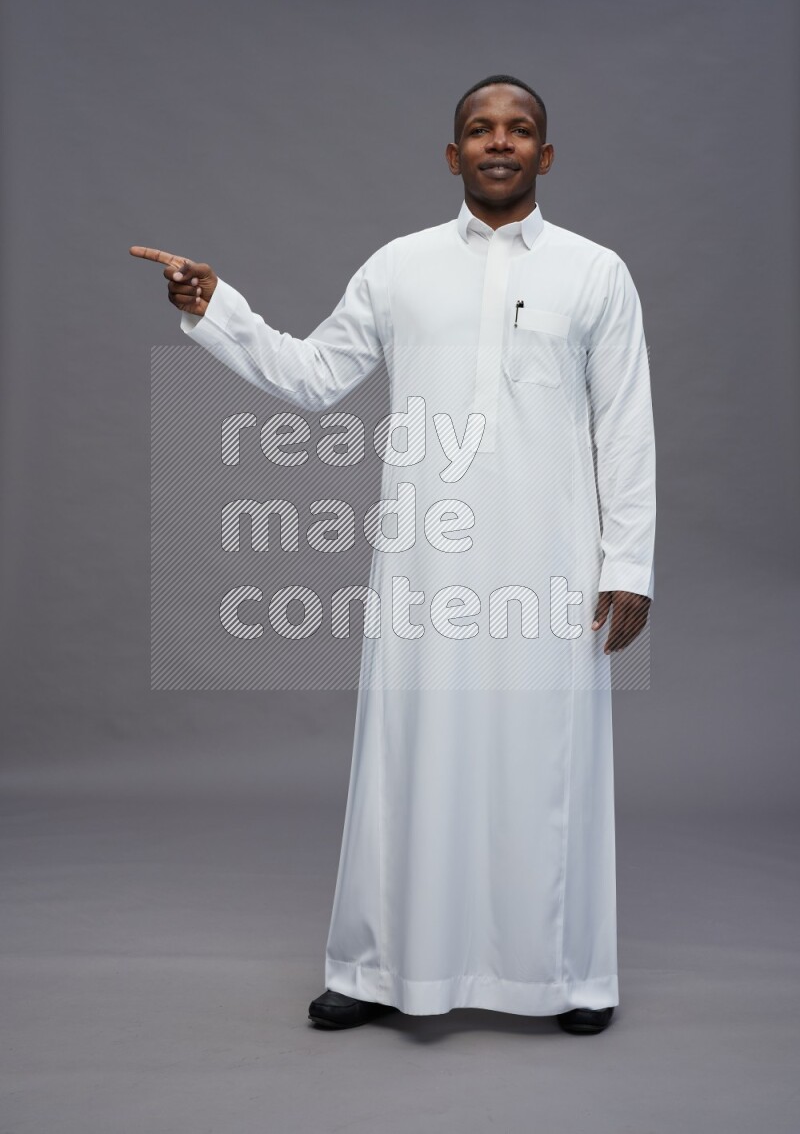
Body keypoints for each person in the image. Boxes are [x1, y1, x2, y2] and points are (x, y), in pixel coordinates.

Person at [131, 74, 656, 1036]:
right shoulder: (399, 267)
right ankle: (376, 968)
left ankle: (566, 974)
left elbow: (624, 425)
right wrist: (218, 308)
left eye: (521, 129)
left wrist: (630, 564)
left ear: (546, 154)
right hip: (426, 563)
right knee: (408, 754)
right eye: (479, 130)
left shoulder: (596, 272)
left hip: (551, 566)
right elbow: (314, 376)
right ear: (453, 156)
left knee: (551, 762)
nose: (500, 142)